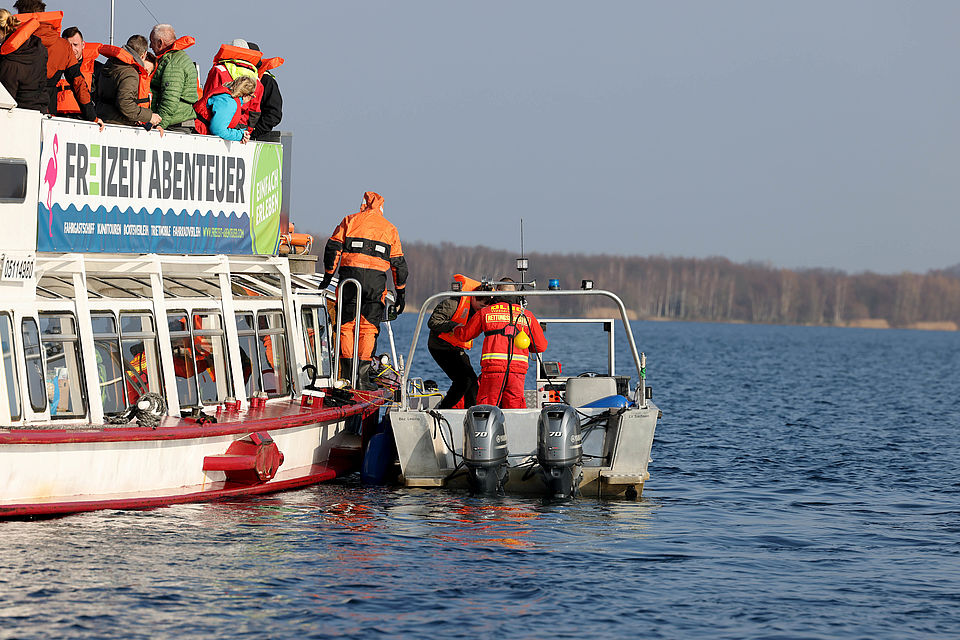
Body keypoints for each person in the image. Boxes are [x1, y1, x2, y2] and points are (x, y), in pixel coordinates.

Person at [320, 191, 408, 389]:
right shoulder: (390, 229)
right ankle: (362, 378)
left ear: (363, 204)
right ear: (381, 208)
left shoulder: (349, 221)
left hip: (349, 280)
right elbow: (399, 265)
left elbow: (332, 248)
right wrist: (401, 293)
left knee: (345, 327)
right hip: (375, 284)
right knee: (368, 329)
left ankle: (347, 376)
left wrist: (328, 276)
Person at [454, 278, 548, 409]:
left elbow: (464, 335)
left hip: (493, 370)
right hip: (517, 372)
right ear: (516, 294)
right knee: (515, 409)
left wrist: (455, 328)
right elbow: (541, 346)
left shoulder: (485, 312)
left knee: (486, 408)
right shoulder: (527, 316)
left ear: (497, 291)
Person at [12, 1, 100, 126]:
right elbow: (78, 83)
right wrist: (92, 117)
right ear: (43, 13)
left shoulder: (15, 42)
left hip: (17, 110)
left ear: (22, 15)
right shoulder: (63, 46)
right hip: (48, 113)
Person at [427, 275, 484, 409]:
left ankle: (471, 411)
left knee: (472, 381)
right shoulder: (452, 304)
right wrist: (453, 326)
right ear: (474, 298)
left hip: (457, 348)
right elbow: (432, 322)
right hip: (440, 346)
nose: (483, 308)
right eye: (481, 305)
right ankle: (444, 410)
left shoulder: (480, 311)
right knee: (463, 381)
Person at [198, 38, 262, 134]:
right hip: (242, 129)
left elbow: (208, 98)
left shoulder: (219, 70)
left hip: (218, 124)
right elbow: (255, 111)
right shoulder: (257, 80)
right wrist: (246, 132)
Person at [96, 35, 161, 128]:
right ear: (143, 55)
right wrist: (149, 116)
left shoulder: (111, 64)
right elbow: (125, 104)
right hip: (119, 125)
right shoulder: (130, 73)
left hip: (103, 118)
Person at [148, 23, 198, 132]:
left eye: (151, 42)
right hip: (175, 122)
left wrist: (159, 124)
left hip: (175, 126)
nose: (150, 46)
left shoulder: (173, 63)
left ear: (160, 42)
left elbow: (170, 97)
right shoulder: (177, 58)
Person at [0, 9, 47, 110]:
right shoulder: (38, 48)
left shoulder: (9, 62)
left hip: (20, 115)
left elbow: (5, 100)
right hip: (41, 109)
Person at [193, 76, 255, 142]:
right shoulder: (228, 102)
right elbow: (218, 130)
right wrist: (240, 135)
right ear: (245, 95)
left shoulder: (225, 95)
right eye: (252, 97)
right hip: (198, 134)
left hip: (198, 131)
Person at [54, 26, 100, 116]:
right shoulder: (53, 66)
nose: (72, 49)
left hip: (84, 119)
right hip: (56, 118)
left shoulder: (96, 69)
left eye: (75, 45)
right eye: (68, 45)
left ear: (83, 45)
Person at [246, 41, 282, 141]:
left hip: (257, 140)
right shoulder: (236, 77)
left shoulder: (266, 81)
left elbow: (274, 114)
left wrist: (254, 133)